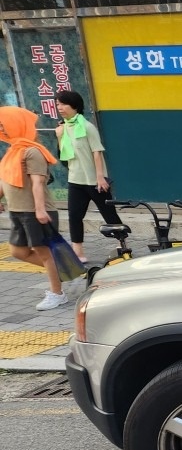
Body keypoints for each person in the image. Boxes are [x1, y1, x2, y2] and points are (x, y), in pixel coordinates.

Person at [0, 105, 65, 310]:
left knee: (42, 251)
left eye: (3, 124)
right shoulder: (12, 151)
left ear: (15, 124)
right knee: (18, 252)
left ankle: (57, 293)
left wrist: (40, 210)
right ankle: (61, 270)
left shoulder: (32, 151)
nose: (1, 129)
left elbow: (37, 183)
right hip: (18, 211)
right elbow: (5, 181)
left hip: (35, 211)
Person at [54, 88, 123, 263]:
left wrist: (100, 177)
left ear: (74, 106)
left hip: (94, 180)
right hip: (75, 179)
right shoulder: (62, 129)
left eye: (63, 104)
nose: (59, 107)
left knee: (109, 214)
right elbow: (64, 157)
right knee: (74, 215)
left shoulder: (87, 126)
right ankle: (77, 252)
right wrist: (59, 137)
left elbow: (97, 153)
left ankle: (122, 244)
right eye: (57, 104)